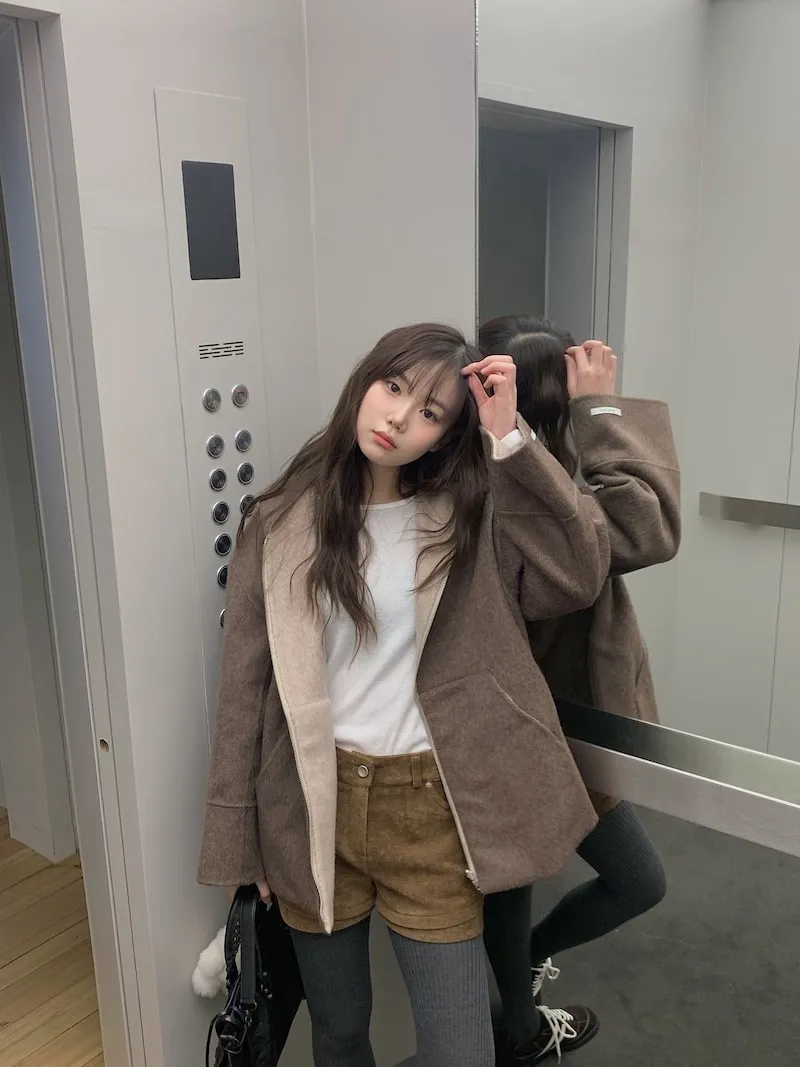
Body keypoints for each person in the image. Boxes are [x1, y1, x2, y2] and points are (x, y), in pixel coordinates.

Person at [197, 322, 613, 1067]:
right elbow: (244, 691)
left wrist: (510, 437)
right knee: (339, 1031)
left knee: (462, 1050)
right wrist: (245, 836)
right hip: (312, 808)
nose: (396, 417)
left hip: (428, 810)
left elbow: (579, 571)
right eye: (392, 387)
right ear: (364, 381)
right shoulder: (281, 520)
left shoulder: (472, 516)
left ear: (446, 435)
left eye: (429, 412)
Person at [478, 314, 680, 1066]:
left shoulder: (534, 475)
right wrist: (601, 409)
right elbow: (646, 529)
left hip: (557, 719)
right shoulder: (526, 496)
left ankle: (516, 989)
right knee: (540, 879)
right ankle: (519, 1022)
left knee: (542, 880)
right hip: (535, 723)